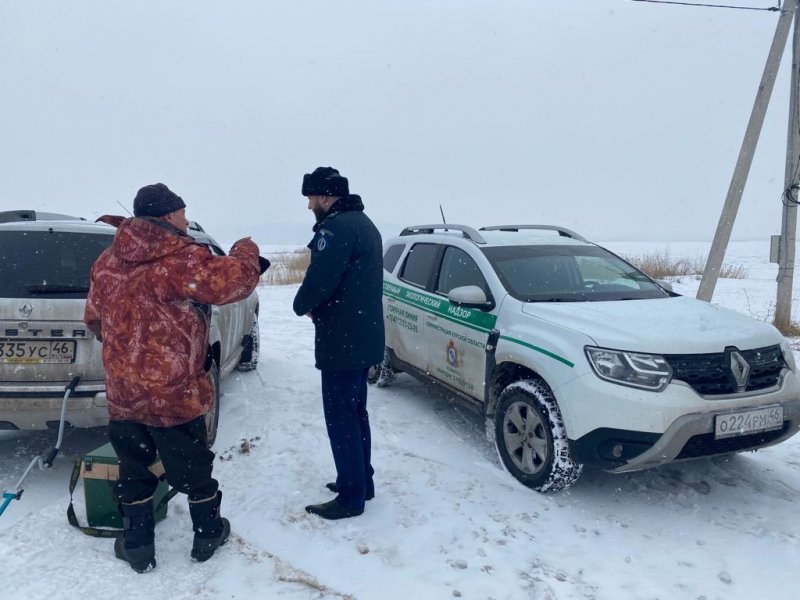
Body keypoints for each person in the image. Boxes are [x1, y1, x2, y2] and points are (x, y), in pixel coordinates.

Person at [84, 183, 266, 572]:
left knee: (134, 467)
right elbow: (237, 281)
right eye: (182, 212)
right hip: (174, 392)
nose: (186, 218)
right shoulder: (181, 260)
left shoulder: (107, 260)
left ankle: (137, 545)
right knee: (192, 466)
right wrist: (246, 249)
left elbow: (95, 319)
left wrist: (129, 345)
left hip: (124, 393)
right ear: (167, 215)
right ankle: (207, 534)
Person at [293, 167, 384, 520]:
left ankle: (351, 496)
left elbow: (321, 279)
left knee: (341, 417)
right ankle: (362, 481)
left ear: (326, 196)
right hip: (361, 337)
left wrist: (302, 304)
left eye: (312, 198)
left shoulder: (337, 228)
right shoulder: (363, 222)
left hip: (343, 341)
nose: (309, 205)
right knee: (355, 411)